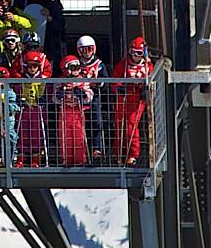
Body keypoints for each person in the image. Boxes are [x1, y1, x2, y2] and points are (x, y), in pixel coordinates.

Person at [54, 37, 101, 165]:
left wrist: (81, 93)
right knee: (65, 136)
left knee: (79, 135)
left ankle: (80, 159)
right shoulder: (61, 81)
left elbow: (89, 96)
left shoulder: (82, 79)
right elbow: (55, 98)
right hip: (64, 112)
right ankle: (67, 159)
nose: (77, 70)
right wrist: (62, 93)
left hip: (78, 111)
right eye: (74, 68)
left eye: (78, 67)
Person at [108, 36, 153, 164]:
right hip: (123, 97)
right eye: (132, 53)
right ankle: (118, 153)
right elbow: (115, 79)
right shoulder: (123, 64)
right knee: (119, 124)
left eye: (138, 53)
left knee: (131, 125)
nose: (135, 56)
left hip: (137, 98)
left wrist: (146, 89)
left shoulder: (147, 66)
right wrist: (118, 88)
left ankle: (133, 154)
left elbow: (151, 79)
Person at [11, 37, 52, 167]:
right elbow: (17, 87)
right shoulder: (22, 77)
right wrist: (19, 99)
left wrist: (44, 99)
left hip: (37, 108)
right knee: (22, 132)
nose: (32, 69)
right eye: (30, 66)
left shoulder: (42, 77)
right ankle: (21, 157)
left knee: (37, 132)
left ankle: (36, 158)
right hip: (25, 108)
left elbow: (48, 90)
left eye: (35, 66)